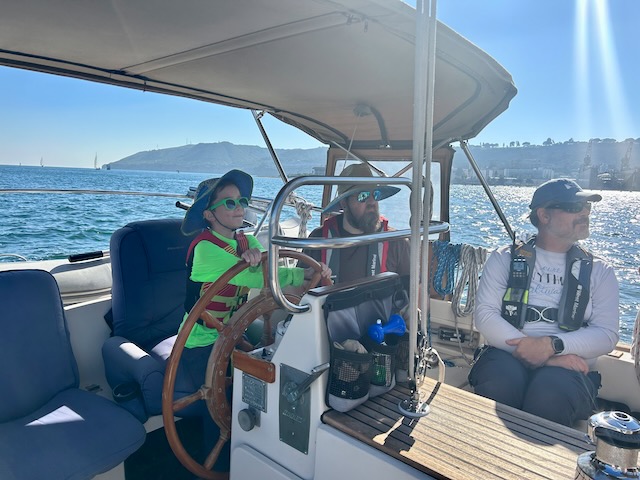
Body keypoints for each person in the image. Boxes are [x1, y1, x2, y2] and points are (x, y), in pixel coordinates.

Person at [177, 169, 331, 468]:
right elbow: (259, 274)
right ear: (209, 215)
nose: (239, 208)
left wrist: (307, 274)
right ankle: (223, 465)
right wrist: (301, 273)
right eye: (229, 203)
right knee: (220, 405)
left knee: (262, 381)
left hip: (231, 336)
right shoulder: (205, 249)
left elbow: (269, 267)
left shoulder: (246, 243)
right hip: (199, 342)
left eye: (242, 201)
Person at [469, 178, 619, 426]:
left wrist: (553, 346)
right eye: (574, 207)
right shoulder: (503, 259)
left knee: (550, 395)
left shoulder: (601, 271)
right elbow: (485, 315)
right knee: (500, 384)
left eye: (587, 208)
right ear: (544, 215)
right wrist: (542, 355)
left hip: (568, 363)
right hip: (507, 356)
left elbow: (606, 334)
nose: (584, 213)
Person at [303, 163, 410, 284]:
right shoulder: (318, 240)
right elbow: (298, 291)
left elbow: (415, 292)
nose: (371, 202)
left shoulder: (397, 242)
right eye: (362, 196)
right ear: (344, 203)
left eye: (375, 194)